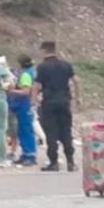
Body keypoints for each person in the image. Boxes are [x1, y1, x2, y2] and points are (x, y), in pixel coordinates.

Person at [33, 40, 80, 172]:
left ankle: (54, 162)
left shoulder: (42, 67)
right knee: (66, 130)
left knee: (51, 132)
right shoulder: (66, 65)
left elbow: (36, 85)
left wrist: (35, 100)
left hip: (49, 102)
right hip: (64, 101)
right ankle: (70, 162)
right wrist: (78, 97)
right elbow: (76, 80)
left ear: (44, 51)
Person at [7, 54, 37, 166]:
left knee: (25, 130)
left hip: (24, 105)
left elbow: (25, 91)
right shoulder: (32, 72)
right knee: (23, 130)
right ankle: (25, 153)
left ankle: (30, 155)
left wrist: (12, 91)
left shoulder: (25, 75)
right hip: (23, 105)